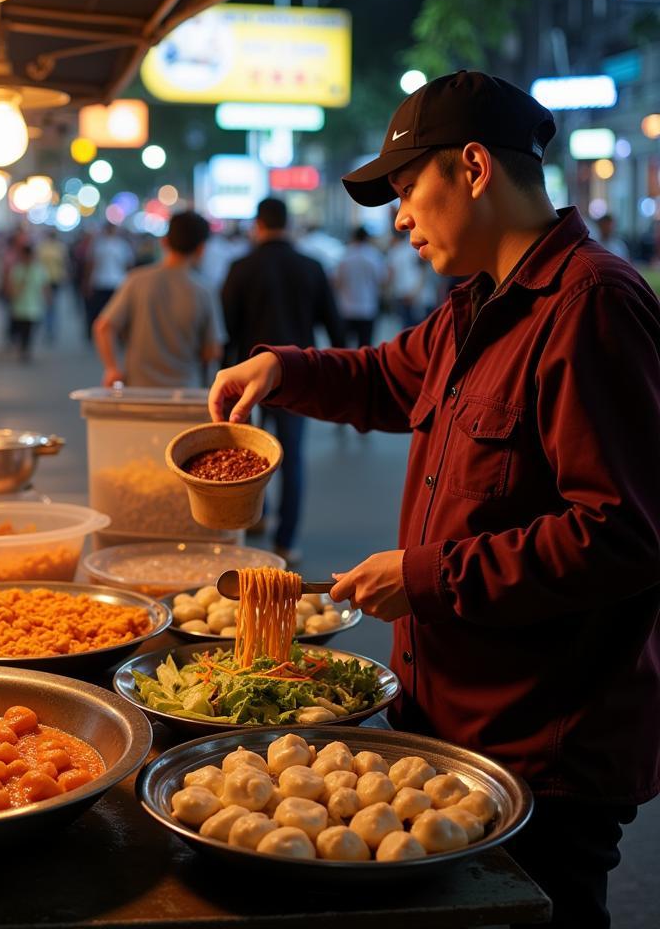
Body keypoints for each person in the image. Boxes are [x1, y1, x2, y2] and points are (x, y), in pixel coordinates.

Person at [208, 71, 660, 929]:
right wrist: (284, 369)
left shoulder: (590, 305)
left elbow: (623, 535)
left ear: (476, 168)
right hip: (455, 726)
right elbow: (385, 376)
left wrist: (429, 576)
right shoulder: (474, 308)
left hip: (544, 749)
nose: (400, 218)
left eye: (410, 189)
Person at [221, 197, 345, 564]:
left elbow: (227, 328)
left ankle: (253, 517)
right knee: (291, 458)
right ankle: (286, 540)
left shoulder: (240, 267)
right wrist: (341, 376)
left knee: (247, 452)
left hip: (246, 380)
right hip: (297, 378)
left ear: (258, 225)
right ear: (287, 223)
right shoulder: (311, 266)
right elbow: (333, 323)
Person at [93, 210, 220, 388]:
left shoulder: (136, 280)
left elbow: (103, 327)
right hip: (186, 392)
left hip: (138, 391)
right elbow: (212, 350)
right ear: (201, 249)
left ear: (164, 242)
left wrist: (112, 369)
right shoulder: (205, 290)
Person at [335, 226, 386, 347]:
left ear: (353, 237)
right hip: (367, 308)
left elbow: (337, 281)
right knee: (365, 347)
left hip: (346, 307)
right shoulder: (373, 256)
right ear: (367, 238)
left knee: (344, 347)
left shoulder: (345, 254)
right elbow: (382, 280)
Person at [83, 223, 134, 338]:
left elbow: (128, 265)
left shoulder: (121, 245)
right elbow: (91, 264)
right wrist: (87, 282)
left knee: (115, 312)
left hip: (115, 283)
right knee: (100, 311)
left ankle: (114, 334)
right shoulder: (99, 245)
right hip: (102, 282)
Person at [6, 242, 49, 362]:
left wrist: (48, 298)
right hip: (19, 307)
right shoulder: (17, 269)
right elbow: (11, 289)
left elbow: (45, 286)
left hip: (34, 307)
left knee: (29, 331)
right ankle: (22, 347)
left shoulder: (38, 269)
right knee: (21, 331)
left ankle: (26, 350)